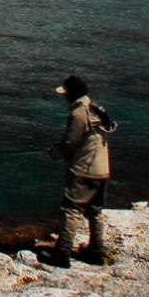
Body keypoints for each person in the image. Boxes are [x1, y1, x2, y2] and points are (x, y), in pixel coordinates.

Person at [44, 74, 114, 264]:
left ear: (71, 94)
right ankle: (96, 251)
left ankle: (62, 253)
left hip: (84, 170)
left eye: (65, 93)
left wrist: (54, 153)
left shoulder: (78, 114)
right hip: (102, 169)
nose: (63, 96)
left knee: (71, 209)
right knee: (95, 211)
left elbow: (70, 143)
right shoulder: (96, 109)